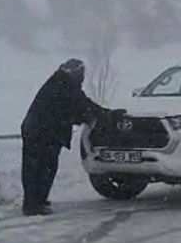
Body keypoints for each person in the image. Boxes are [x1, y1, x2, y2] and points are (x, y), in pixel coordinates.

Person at [20, 59, 124, 216]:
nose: (82, 79)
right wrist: (106, 115)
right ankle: (34, 204)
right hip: (44, 132)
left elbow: (79, 107)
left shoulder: (59, 82)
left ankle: (34, 201)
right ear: (76, 73)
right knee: (43, 167)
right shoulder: (65, 86)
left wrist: (100, 114)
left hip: (36, 129)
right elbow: (82, 107)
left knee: (34, 167)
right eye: (81, 75)